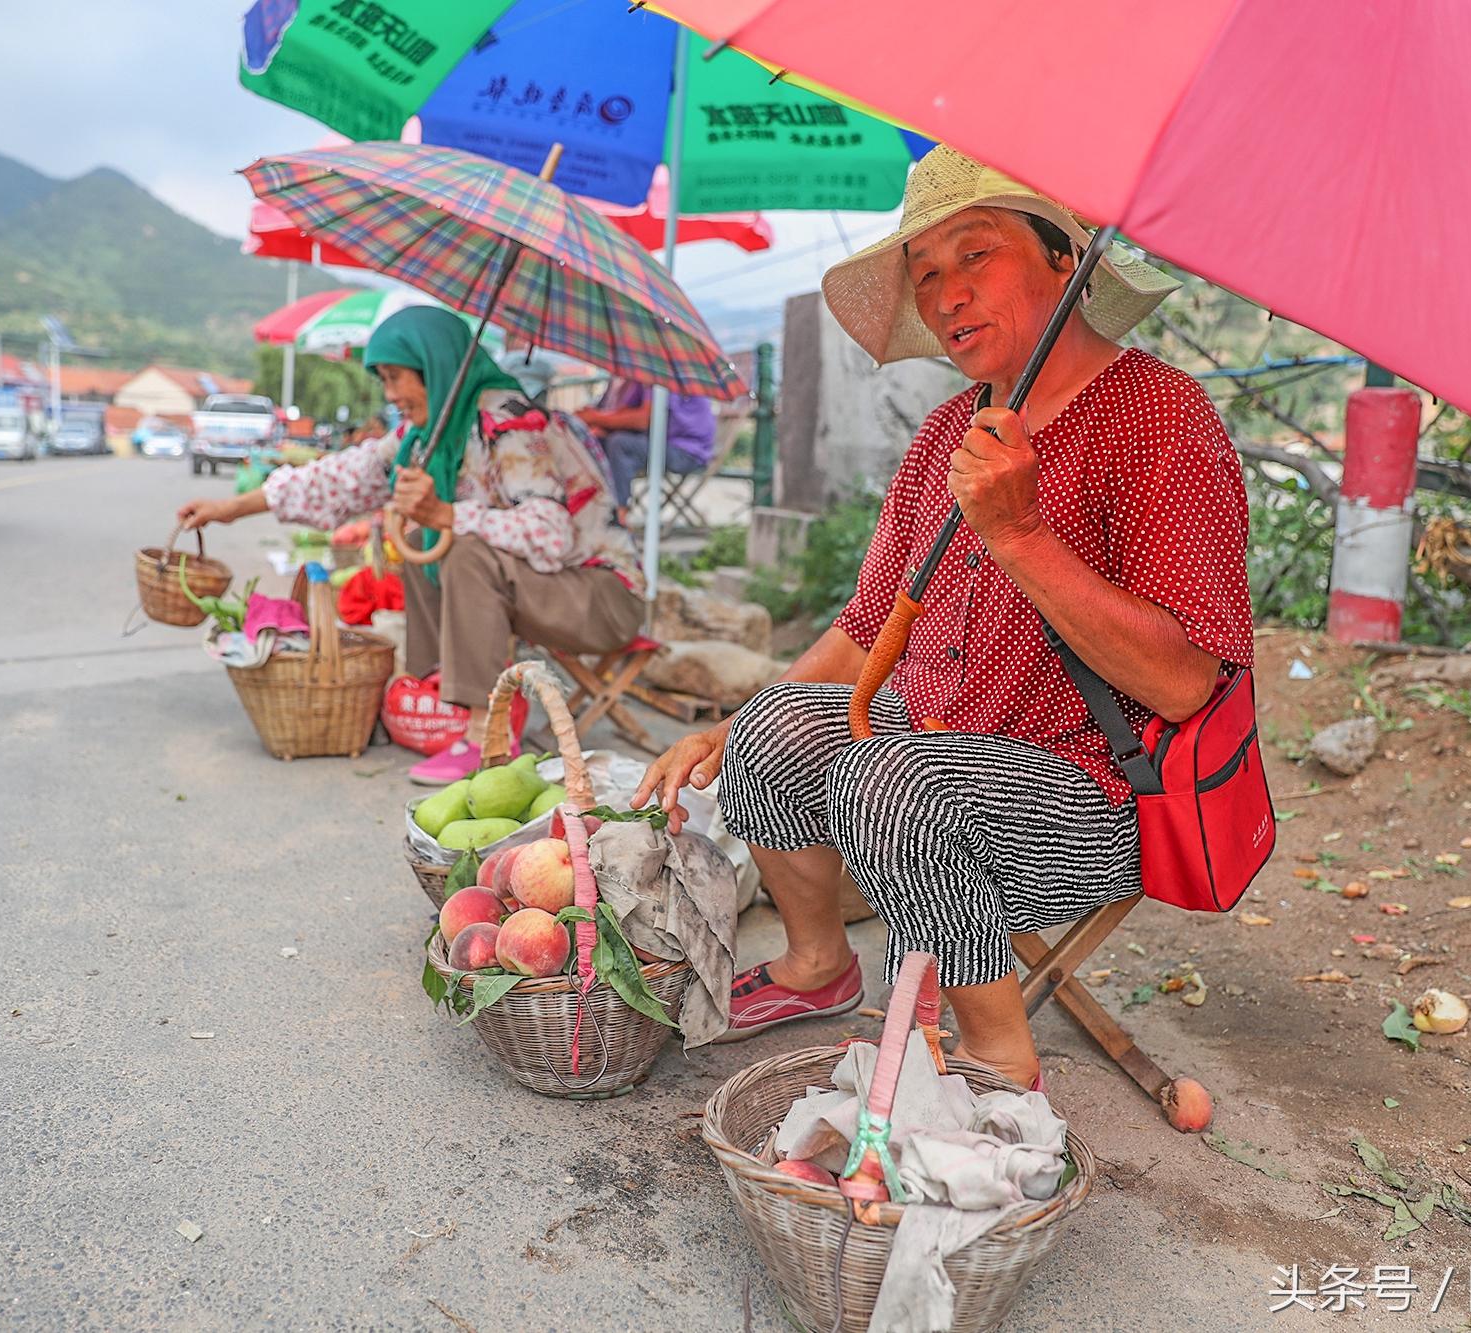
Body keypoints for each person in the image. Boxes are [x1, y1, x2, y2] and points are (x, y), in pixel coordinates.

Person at [632, 147, 1252, 1088]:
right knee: (772, 725)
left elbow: (1182, 681)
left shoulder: (1158, 415)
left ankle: (1001, 1055)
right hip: (933, 749)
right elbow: (867, 626)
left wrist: (1024, 534)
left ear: (1062, 259)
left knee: (894, 779)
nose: (947, 293)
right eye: (926, 276)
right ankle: (817, 964)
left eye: (975, 255)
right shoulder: (945, 438)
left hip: (1096, 793)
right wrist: (725, 727)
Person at [178, 306, 645, 784]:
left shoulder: (511, 422)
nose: (391, 394)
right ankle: (441, 692)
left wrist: (448, 514)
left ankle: (487, 737)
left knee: (458, 545)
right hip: (550, 589)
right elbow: (340, 479)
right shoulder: (430, 432)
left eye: (398, 377)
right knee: (427, 538)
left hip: (603, 598)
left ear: (435, 365)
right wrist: (232, 509)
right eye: (384, 379)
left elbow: (551, 532)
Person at [575, 376, 715, 523]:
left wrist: (596, 418)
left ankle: (618, 516)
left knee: (620, 444)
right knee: (596, 442)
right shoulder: (632, 381)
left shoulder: (661, 375)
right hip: (661, 443)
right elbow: (623, 414)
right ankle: (588, 508)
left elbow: (643, 420)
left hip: (687, 451)